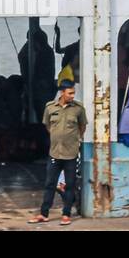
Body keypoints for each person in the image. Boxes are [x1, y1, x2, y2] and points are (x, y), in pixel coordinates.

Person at [29, 80, 86, 226]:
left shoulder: (78, 109)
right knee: (50, 184)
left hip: (71, 154)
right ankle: (44, 213)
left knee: (70, 185)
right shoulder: (50, 107)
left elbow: (82, 126)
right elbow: (48, 125)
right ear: (62, 93)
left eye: (74, 93)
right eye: (70, 93)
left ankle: (66, 214)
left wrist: (74, 139)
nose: (73, 96)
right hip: (54, 153)